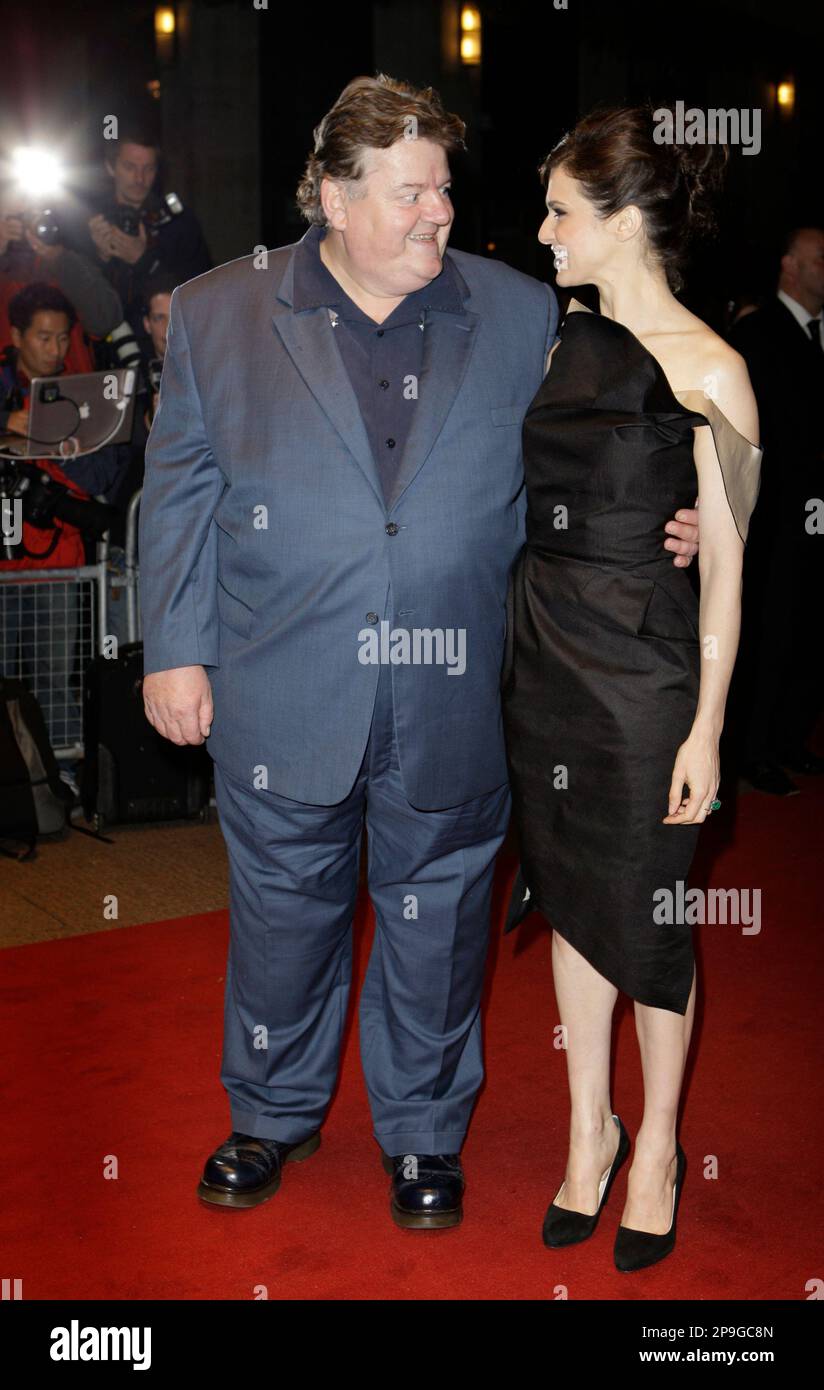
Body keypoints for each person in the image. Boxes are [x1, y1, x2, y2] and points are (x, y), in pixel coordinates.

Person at [137, 75, 699, 1231]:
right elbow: (178, 495)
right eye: (410, 191)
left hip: (460, 693)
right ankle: (270, 1112)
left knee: (437, 929)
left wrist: (675, 516)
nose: (440, 210)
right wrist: (173, 651)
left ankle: (424, 1133)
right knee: (282, 920)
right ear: (334, 199)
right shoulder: (215, 313)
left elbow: (619, 432)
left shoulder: (518, 314)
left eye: (443, 183)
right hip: (279, 684)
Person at [501, 104, 762, 1270]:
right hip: (544, 656)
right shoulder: (560, 343)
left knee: (647, 913)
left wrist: (706, 727)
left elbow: (729, 566)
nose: (544, 229)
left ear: (619, 223)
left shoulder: (717, 370)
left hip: (648, 677)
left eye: (560, 210)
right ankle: (585, 1129)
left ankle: (655, 1143)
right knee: (568, 896)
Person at [0, 282, 126, 776]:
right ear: (17, 335)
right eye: (42, 338)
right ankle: (12, 784)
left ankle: (63, 777)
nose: (53, 350)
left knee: (55, 675)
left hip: (60, 561)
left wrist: (47, 436)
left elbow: (104, 480)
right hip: (5, 558)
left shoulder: (84, 396)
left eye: (60, 338)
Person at [727, 226, 824, 793]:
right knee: (772, 631)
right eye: (820, 258)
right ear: (790, 265)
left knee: (811, 629)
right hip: (779, 516)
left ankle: (789, 738)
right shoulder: (759, 332)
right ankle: (753, 747)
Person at [82, 119, 211, 338]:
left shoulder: (178, 222)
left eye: (148, 168)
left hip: (163, 344)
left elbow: (203, 292)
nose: (140, 179)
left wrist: (145, 261)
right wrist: (99, 256)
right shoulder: (88, 218)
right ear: (110, 166)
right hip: (104, 347)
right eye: (130, 167)